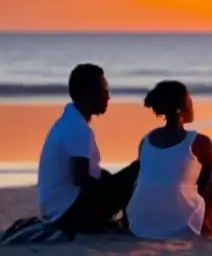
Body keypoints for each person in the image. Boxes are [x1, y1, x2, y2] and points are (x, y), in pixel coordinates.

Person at [37, 63, 139, 234]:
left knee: (124, 175)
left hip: (56, 211)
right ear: (84, 94)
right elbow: (81, 179)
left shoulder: (68, 121)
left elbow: (86, 173)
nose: (108, 97)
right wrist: (111, 193)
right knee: (141, 168)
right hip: (70, 214)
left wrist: (107, 181)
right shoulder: (78, 129)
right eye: (102, 91)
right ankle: (129, 224)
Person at [126, 81, 212, 239]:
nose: (192, 103)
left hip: (140, 222)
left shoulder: (146, 140)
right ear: (181, 107)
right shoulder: (200, 142)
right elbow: (203, 184)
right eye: (189, 100)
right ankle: (208, 221)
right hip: (182, 226)